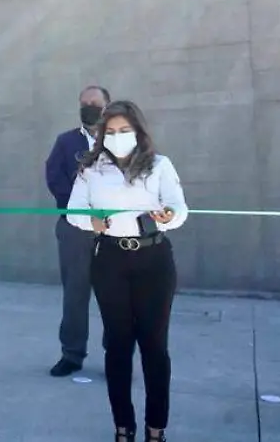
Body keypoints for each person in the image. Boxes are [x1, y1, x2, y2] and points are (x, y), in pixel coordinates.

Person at [66, 100, 187, 442]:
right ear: (103, 135)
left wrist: (169, 216)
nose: (118, 137)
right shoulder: (91, 169)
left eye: (125, 131)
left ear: (138, 132)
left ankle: (155, 429)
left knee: (154, 345)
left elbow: (179, 208)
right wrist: (89, 219)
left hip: (154, 261)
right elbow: (73, 210)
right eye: (112, 132)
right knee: (118, 346)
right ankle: (123, 428)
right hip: (110, 261)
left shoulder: (159, 165)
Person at [44, 84, 110, 376]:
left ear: (107, 106)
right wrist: (77, 207)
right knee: (75, 294)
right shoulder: (66, 142)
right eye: (84, 103)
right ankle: (72, 354)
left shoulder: (120, 140)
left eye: (94, 103)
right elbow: (54, 176)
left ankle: (116, 356)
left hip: (114, 230)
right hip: (75, 229)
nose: (89, 107)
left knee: (116, 296)